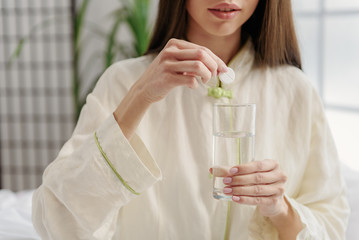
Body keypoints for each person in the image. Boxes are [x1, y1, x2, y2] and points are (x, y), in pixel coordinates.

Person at [32, 0, 350, 239]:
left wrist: (280, 209)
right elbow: (58, 223)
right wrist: (140, 94)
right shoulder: (123, 81)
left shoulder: (297, 91)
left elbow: (333, 225)